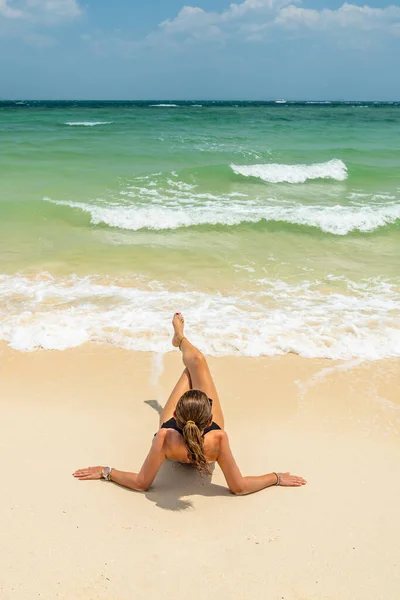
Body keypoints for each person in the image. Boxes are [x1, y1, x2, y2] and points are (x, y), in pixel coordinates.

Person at [73, 313, 307, 495]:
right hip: (201, 435)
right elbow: (239, 487)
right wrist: (275, 477)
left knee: (193, 366)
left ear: (174, 412)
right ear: (210, 416)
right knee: (197, 363)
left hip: (175, 440)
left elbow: (140, 483)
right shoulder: (218, 439)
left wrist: (106, 472)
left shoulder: (164, 435)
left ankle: (180, 340)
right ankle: (181, 341)